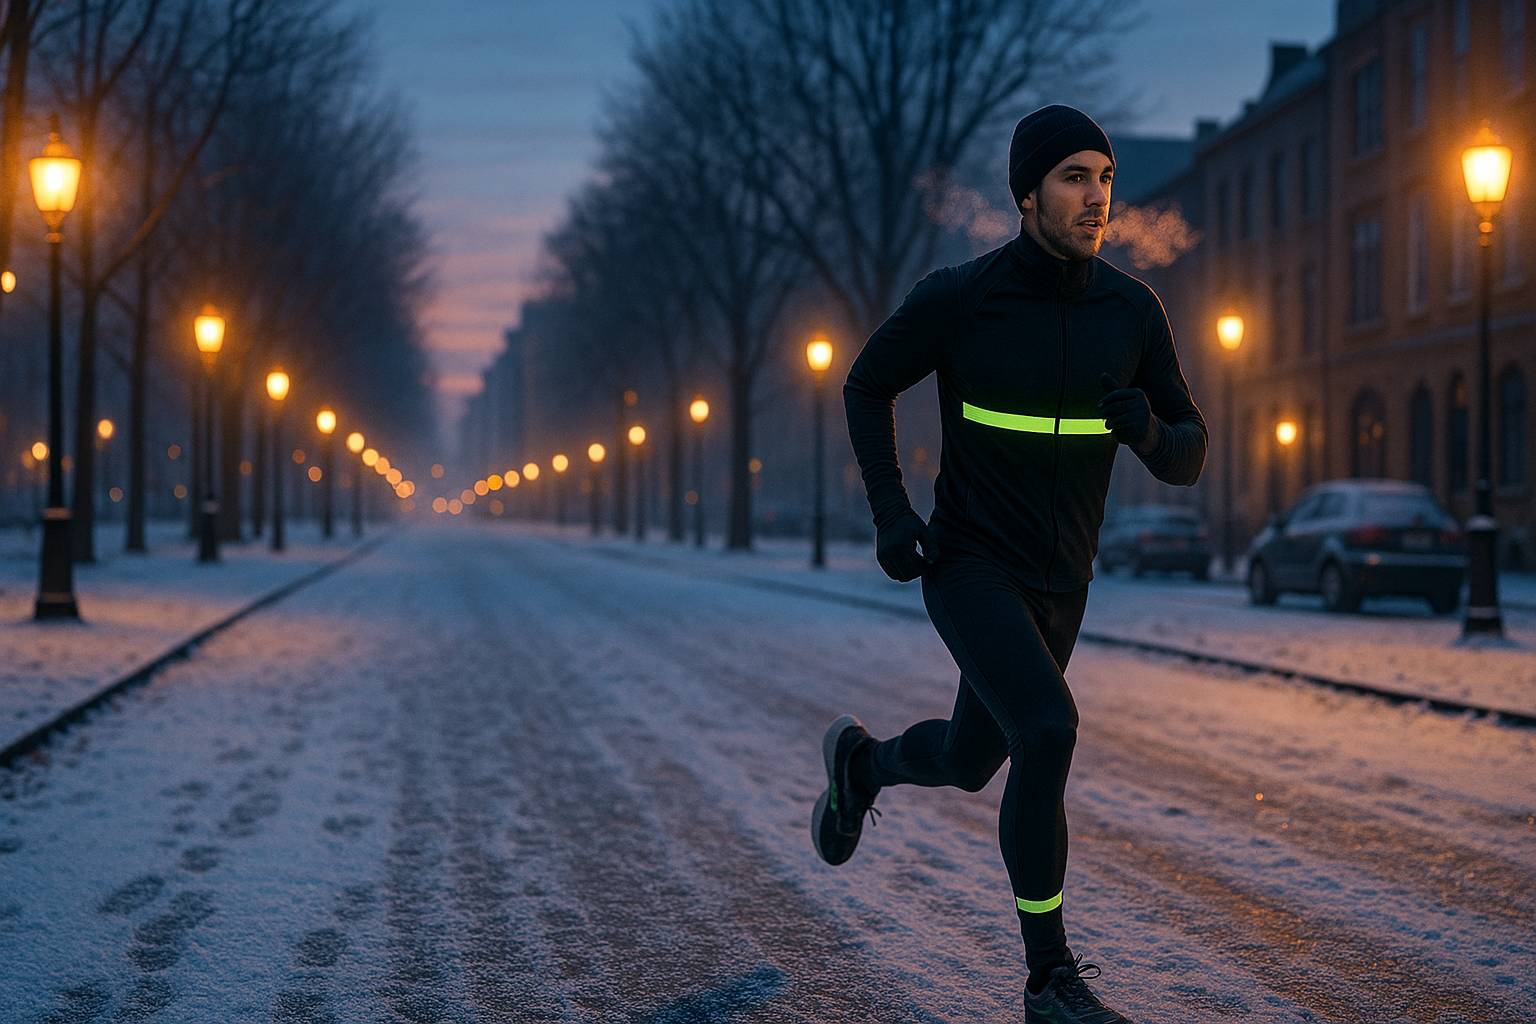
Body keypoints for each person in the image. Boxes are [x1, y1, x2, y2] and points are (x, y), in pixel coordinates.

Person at [812, 104, 1207, 1023]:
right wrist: (890, 513)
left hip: (1061, 581)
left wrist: (1148, 429)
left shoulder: (1131, 311)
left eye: (1105, 178)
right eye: (1074, 177)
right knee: (1048, 730)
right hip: (969, 564)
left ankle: (861, 766)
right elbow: (867, 384)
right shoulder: (963, 297)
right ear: (1027, 193)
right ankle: (1048, 979)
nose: (1096, 197)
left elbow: (1189, 453)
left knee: (969, 757)